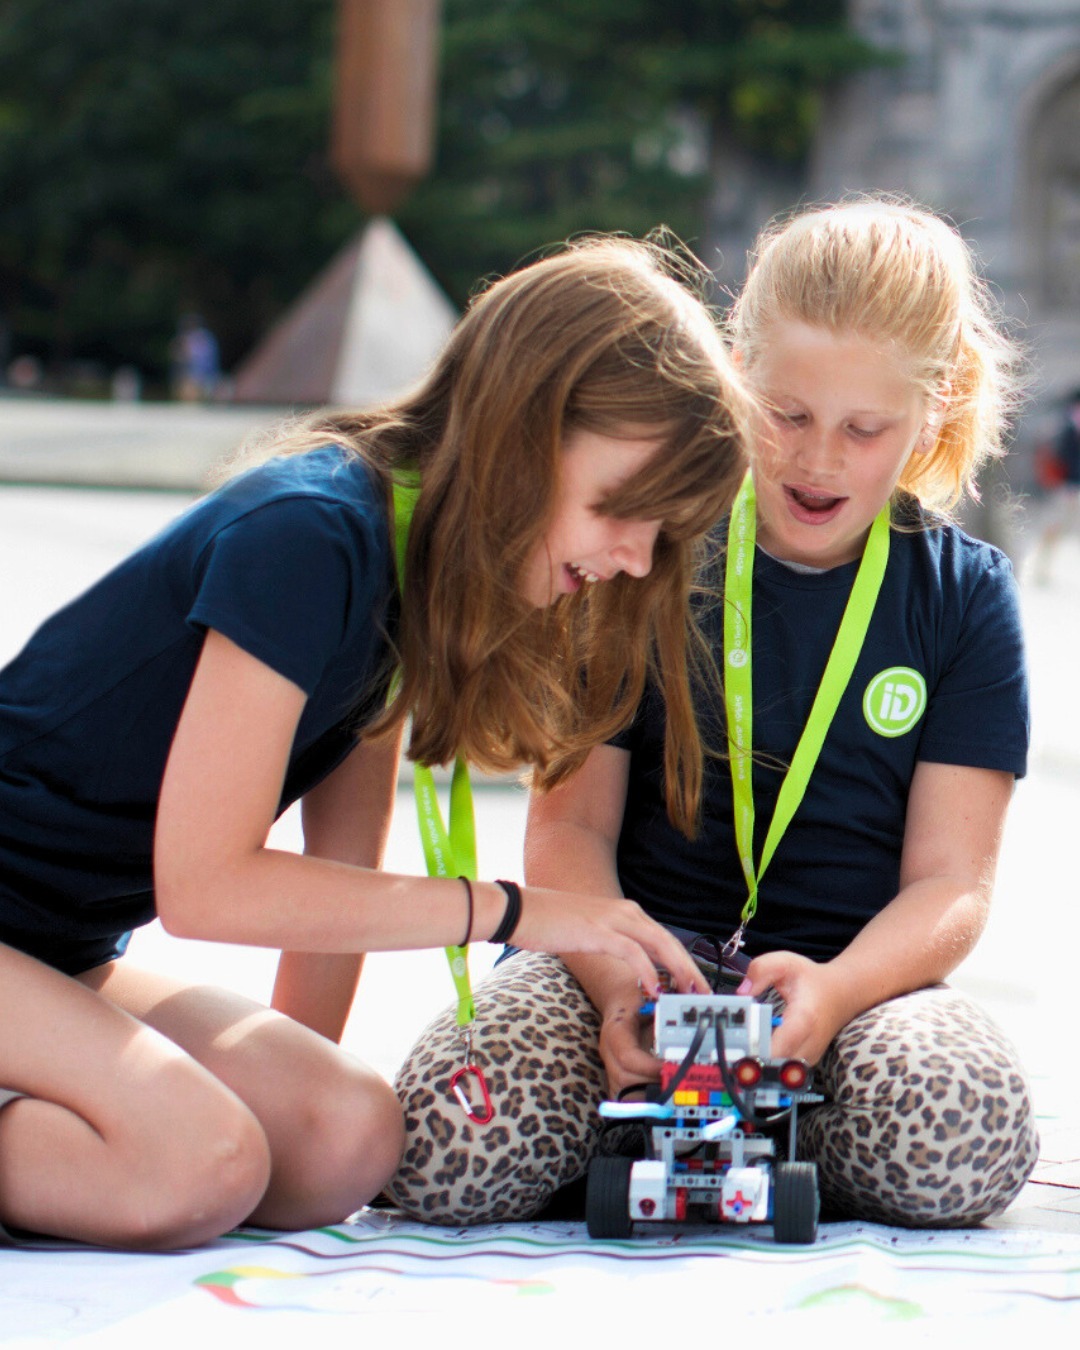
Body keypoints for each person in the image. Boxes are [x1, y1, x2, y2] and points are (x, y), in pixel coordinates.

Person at [0, 235, 750, 1249]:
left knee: (345, 1137)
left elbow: (340, 875)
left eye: (661, 535)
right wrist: (518, 912)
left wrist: (283, 1100)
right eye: (625, 510)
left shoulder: (415, 565)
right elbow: (206, 886)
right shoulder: (309, 534)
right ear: (526, 425)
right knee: (197, 1161)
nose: (632, 558)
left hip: (59, 954)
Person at [388, 198, 1038, 1230]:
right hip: (624, 965)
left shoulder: (961, 595)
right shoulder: (646, 547)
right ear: (735, 369)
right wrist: (614, 987)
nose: (816, 460)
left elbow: (952, 886)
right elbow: (569, 826)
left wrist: (830, 998)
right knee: (442, 1144)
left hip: (846, 993)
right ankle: (642, 1101)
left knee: (965, 1139)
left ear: (935, 409)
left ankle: (786, 1114)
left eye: (864, 429)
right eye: (785, 414)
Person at [1028, 387, 1080, 585]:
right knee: (1053, 528)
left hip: (1069, 486)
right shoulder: (1066, 426)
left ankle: (1044, 569)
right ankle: (1042, 570)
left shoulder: (1065, 424)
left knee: (1056, 529)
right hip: (1066, 487)